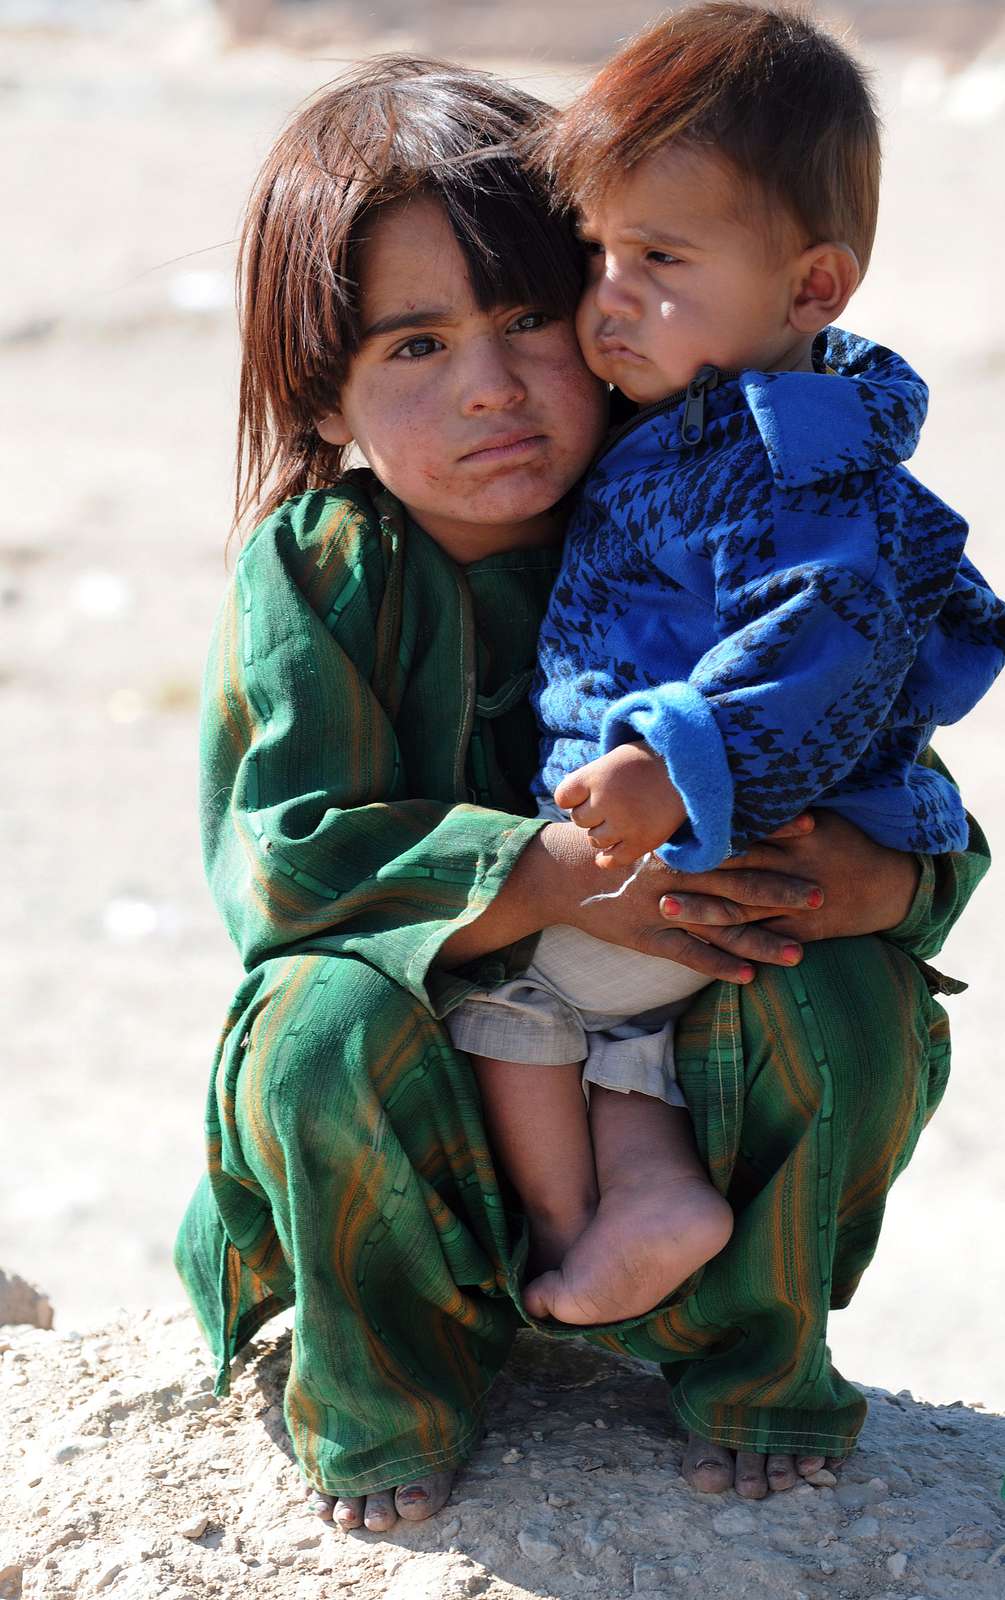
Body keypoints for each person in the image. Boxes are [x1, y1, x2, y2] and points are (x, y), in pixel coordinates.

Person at [174, 54, 991, 1532]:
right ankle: (394, 1393)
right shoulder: (324, 571)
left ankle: (742, 1361)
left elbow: (888, 775)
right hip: (434, 1097)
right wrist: (541, 874)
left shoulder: (707, 513)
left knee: (847, 996)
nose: (491, 386)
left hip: (673, 1061)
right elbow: (285, 863)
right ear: (326, 389)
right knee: (314, 1026)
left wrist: (868, 883)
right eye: (413, 346)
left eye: (529, 316)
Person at [446, 1, 1005, 1329]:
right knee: (623, 1042)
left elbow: (825, 639)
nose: (606, 302)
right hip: (692, 857)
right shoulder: (728, 420)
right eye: (594, 255)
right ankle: (648, 1199)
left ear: (811, 287)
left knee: (503, 992)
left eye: (657, 259)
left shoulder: (786, 467)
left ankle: (576, 1231)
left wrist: (669, 768)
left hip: (708, 841)